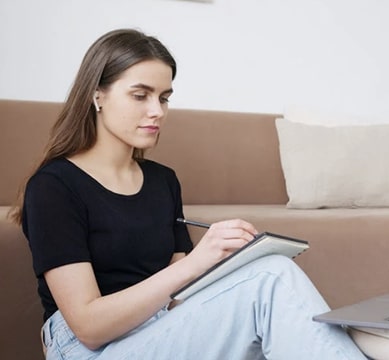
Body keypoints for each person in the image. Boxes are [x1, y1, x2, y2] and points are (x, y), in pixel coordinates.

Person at [9, 28, 367, 359]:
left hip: (157, 328)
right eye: (140, 95)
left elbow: (180, 300)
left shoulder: (163, 181)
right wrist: (201, 260)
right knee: (271, 278)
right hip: (90, 349)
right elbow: (88, 327)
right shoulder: (54, 186)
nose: (156, 111)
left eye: (164, 98)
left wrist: (230, 264)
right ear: (97, 95)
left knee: (267, 271)